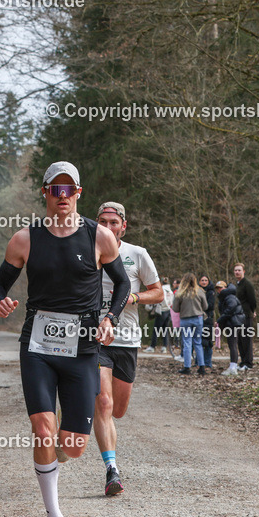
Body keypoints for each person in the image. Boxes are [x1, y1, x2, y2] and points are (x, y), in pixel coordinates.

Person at [0, 161, 129, 517]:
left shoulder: (100, 237)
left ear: (79, 194)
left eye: (70, 190)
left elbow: (122, 283)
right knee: (43, 429)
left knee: (73, 445)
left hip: (82, 348)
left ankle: (61, 442)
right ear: (46, 193)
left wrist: (110, 317)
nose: (63, 196)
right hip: (37, 347)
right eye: (56, 189)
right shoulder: (24, 239)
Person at [93, 202, 162, 496]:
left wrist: (133, 297)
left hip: (128, 340)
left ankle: (88, 410)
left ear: (123, 226)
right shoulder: (86, 251)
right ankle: (112, 470)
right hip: (94, 338)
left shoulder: (137, 254)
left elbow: (158, 292)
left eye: (113, 222)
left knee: (117, 411)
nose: (108, 227)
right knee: (104, 404)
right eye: (103, 222)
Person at [172, 273, 207, 375]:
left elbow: (175, 308)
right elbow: (205, 306)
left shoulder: (180, 293)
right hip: (198, 319)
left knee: (187, 343)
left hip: (185, 319)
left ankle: (187, 367)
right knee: (198, 342)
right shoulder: (200, 291)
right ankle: (201, 367)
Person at [216, 280, 244, 375]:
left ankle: (233, 367)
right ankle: (233, 366)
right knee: (232, 344)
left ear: (225, 288)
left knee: (232, 345)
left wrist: (220, 320)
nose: (219, 290)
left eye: (221, 288)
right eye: (218, 288)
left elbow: (230, 310)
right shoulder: (225, 297)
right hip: (232, 323)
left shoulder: (230, 297)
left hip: (234, 323)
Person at [233, 263, 257, 370]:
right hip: (238, 316)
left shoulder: (247, 284)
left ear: (244, 271)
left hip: (246, 315)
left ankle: (248, 363)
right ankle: (243, 362)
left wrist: (252, 311)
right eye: (235, 270)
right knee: (240, 340)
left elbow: (252, 300)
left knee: (247, 339)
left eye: (239, 270)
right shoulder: (237, 284)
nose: (237, 272)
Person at [145, 275, 173, 353]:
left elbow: (161, 299)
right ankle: (164, 347)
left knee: (156, 330)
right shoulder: (170, 290)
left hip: (162, 311)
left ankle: (152, 346)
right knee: (165, 330)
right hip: (168, 311)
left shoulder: (162, 290)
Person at [199, 275, 216, 370]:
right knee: (199, 342)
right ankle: (199, 362)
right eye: (202, 280)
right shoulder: (196, 292)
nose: (204, 282)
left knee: (208, 342)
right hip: (198, 318)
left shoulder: (211, 292)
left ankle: (208, 362)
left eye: (206, 280)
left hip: (208, 319)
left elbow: (211, 305)